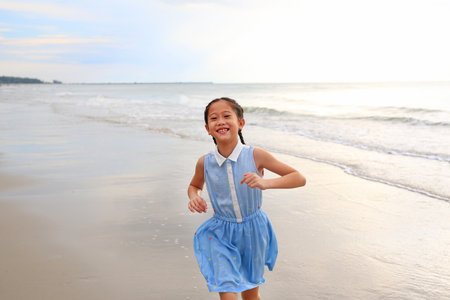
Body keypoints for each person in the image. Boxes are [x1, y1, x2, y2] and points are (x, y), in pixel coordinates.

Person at [188, 97, 306, 300]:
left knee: (250, 295)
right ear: (208, 128)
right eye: (214, 118)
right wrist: (194, 197)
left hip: (253, 231)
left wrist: (266, 183)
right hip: (219, 233)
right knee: (227, 292)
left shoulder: (255, 155)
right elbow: (194, 186)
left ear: (241, 123)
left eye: (227, 116)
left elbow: (298, 178)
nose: (221, 121)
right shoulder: (204, 163)